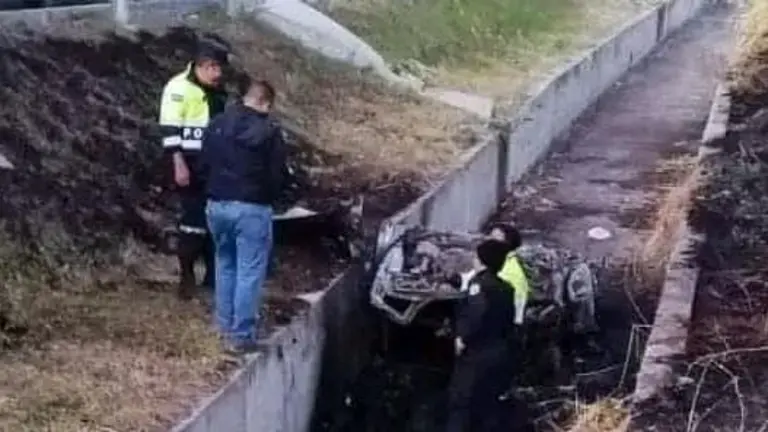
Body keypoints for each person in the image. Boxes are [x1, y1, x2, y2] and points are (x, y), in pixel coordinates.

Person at [199, 77, 288, 353]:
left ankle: (222, 326)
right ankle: (242, 335)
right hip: (251, 208)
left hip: (216, 205)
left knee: (224, 264)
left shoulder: (216, 124)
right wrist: (273, 198)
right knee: (249, 270)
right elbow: (277, 175)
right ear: (265, 103)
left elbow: (203, 164)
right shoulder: (269, 131)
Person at [158, 39, 230, 299]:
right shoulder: (178, 88)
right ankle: (187, 275)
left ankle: (212, 276)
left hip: (213, 165)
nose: (218, 75)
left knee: (215, 221)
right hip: (188, 163)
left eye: (220, 69)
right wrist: (178, 164)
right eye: (213, 68)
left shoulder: (217, 90)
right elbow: (169, 129)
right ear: (202, 66)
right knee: (191, 222)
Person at [446, 239, 519, 432]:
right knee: (488, 403)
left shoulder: (478, 284)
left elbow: (476, 313)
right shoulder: (507, 288)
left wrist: (462, 338)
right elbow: (509, 320)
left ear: (481, 260)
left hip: (477, 352)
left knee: (461, 401)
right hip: (499, 350)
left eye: (476, 256)